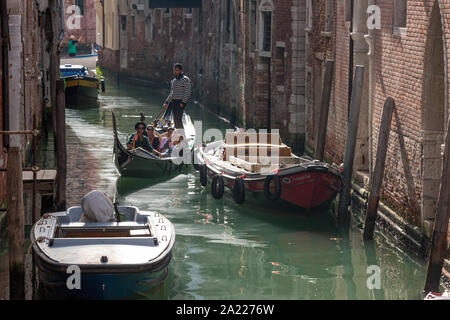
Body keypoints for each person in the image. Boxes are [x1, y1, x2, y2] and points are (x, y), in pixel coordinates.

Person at [163, 63, 192, 129]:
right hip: (174, 102)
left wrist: (183, 102)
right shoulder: (174, 81)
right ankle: (178, 133)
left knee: (178, 119)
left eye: (177, 70)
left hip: (180, 102)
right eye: (174, 70)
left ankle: (181, 134)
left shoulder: (186, 79)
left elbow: (188, 92)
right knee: (176, 120)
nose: (175, 72)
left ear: (181, 71)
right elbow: (171, 93)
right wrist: (166, 102)